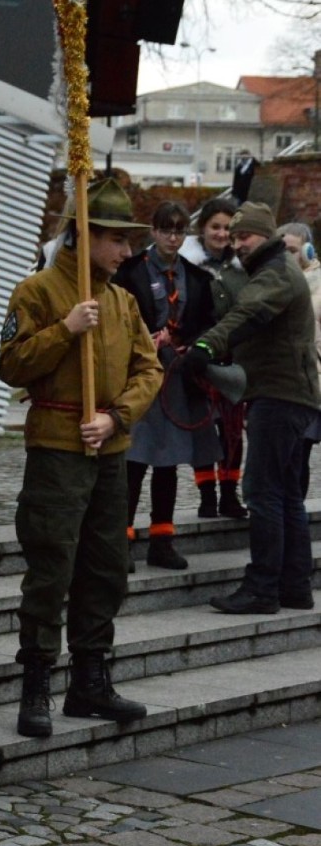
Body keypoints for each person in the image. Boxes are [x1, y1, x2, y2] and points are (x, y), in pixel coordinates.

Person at [0, 177, 161, 739]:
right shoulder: (38, 292)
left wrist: (116, 417)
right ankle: (37, 682)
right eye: (116, 239)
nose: (126, 251)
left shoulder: (122, 300)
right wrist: (65, 331)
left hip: (108, 447)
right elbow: (13, 366)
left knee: (105, 567)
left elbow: (149, 369)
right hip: (57, 449)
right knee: (51, 566)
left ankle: (90, 679)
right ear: (85, 234)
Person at [182, 202, 321, 614]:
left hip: (279, 397)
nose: (238, 243)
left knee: (262, 493)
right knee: (285, 496)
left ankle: (262, 588)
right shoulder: (272, 269)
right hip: (290, 396)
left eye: (246, 236)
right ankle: (295, 587)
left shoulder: (275, 273)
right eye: (235, 236)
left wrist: (206, 345)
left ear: (267, 236)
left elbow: (248, 312)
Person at [115, 201, 220, 570]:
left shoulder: (196, 276)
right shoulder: (129, 272)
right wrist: (143, 339)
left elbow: (208, 322)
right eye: (166, 230)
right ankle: (121, 542)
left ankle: (162, 540)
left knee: (169, 462)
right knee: (134, 462)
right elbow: (115, 320)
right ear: (153, 231)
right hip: (139, 376)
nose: (173, 238)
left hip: (177, 378)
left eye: (180, 231)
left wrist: (192, 345)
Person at [180, 197, 249, 518]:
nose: (221, 234)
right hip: (198, 360)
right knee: (204, 430)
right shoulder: (188, 267)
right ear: (203, 229)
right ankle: (207, 494)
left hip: (234, 359)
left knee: (233, 432)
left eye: (227, 228)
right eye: (215, 227)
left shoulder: (243, 268)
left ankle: (229, 494)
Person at [276, 222, 321, 497]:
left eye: (292, 250)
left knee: (298, 454)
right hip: (281, 380)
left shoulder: (314, 284)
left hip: (309, 380)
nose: (286, 256)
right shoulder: (276, 279)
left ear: (307, 250)